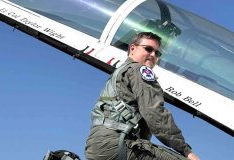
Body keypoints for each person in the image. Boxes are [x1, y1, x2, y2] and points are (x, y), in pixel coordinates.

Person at [85, 32, 199, 160]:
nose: (153, 55)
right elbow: (155, 113)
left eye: (157, 53)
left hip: (98, 146)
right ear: (133, 48)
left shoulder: (120, 72)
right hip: (117, 144)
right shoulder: (139, 71)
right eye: (148, 49)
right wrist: (186, 151)